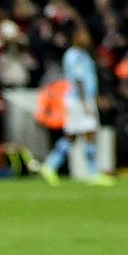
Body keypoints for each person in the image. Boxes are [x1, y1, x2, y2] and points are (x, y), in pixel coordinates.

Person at [44, 22, 111, 185]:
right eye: (83, 35)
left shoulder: (82, 54)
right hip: (78, 100)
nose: (86, 38)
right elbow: (79, 80)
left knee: (72, 136)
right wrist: (86, 103)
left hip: (78, 100)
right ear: (75, 37)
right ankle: (92, 172)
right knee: (89, 133)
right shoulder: (75, 55)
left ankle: (50, 165)